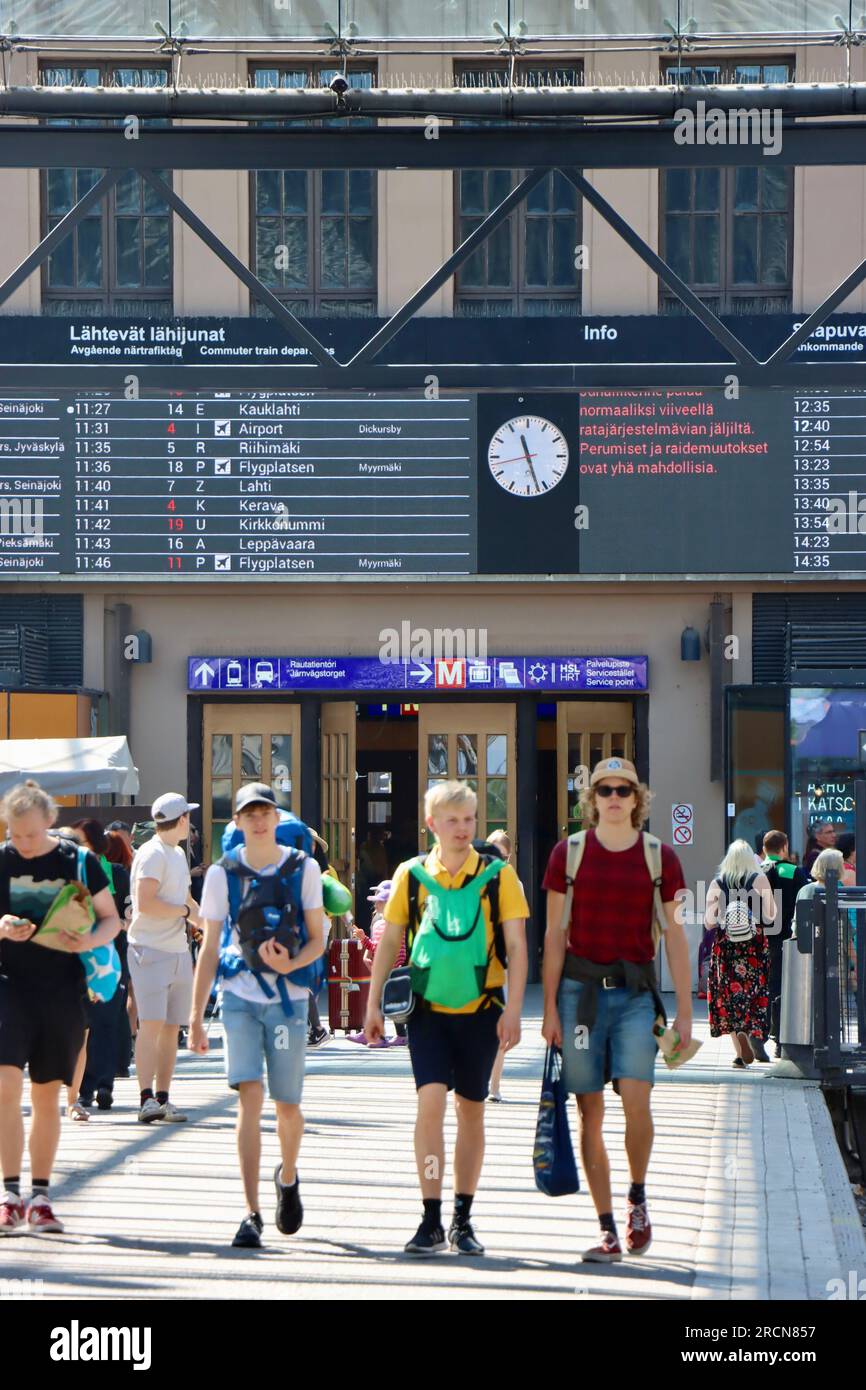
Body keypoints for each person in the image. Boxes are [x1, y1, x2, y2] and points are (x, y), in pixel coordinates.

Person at [364, 781, 529, 1256]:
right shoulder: (411, 875)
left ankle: (463, 1216)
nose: (462, 829)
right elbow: (391, 940)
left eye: (469, 819)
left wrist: (514, 1009)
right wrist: (372, 1004)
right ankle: (431, 1216)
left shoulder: (500, 878)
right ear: (432, 824)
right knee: (430, 1107)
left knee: (471, 1111)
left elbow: (517, 947)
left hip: (482, 1011)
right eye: (452, 820)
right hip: (428, 1012)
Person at [542, 757, 691, 1263]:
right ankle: (606, 1227)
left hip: (633, 996)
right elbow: (553, 937)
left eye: (622, 789)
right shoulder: (570, 853)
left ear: (637, 798)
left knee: (637, 1099)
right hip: (579, 995)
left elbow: (674, 935)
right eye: (604, 789)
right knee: (589, 1111)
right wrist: (548, 1011)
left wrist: (687, 1014)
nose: (613, 797)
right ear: (592, 799)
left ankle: (638, 1197)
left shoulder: (660, 858)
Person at [189, 783, 326, 1250]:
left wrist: (293, 964)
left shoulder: (302, 867)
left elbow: (317, 936)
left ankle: (287, 1176)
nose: (259, 819)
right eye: (250, 813)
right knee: (249, 1097)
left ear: (275, 814)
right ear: (238, 822)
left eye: (265, 811)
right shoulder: (222, 874)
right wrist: (194, 1015)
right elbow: (209, 945)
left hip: (287, 1000)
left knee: (287, 1106)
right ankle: (251, 1213)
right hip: (239, 997)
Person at [0, 780, 119, 1234]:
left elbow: (112, 918)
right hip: (9, 984)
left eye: (30, 834)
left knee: (47, 1094)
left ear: (50, 821)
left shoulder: (80, 861)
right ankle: (10, 1194)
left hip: (63, 988)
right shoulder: (2, 859)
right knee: (6, 1086)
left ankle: (42, 1196)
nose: (23, 845)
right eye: (15, 835)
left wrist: (89, 939)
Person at [128, 793, 200, 1124]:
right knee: (152, 1026)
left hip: (176, 951)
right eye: (189, 817)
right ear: (182, 818)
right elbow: (145, 903)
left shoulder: (175, 854)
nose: (192, 823)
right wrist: (186, 912)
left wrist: (206, 926)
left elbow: (185, 900)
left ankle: (163, 1098)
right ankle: (146, 1099)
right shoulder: (153, 853)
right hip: (150, 950)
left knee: (172, 1028)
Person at [705, 839, 777, 1069]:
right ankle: (749, 1032)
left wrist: (721, 910)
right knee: (752, 992)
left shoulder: (718, 883)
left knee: (729, 994)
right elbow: (771, 917)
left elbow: (708, 923)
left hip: (726, 945)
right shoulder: (759, 879)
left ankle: (739, 1052)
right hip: (753, 945)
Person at [77, 822, 133, 1111]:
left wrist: (117, 924)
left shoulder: (117, 874)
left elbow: (129, 916)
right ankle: (88, 1088)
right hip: (82, 961)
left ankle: (101, 1086)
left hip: (111, 960)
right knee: (88, 1025)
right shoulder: (71, 872)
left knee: (104, 1023)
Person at [760, 830, 810, 1059]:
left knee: (760, 987)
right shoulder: (793, 872)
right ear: (785, 847)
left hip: (757, 938)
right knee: (781, 987)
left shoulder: (756, 871)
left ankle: (757, 1033)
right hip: (784, 939)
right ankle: (780, 1040)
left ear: (764, 849)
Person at [348, 880, 404, 1047]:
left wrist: (364, 939)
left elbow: (390, 950)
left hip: (391, 970)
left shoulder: (393, 924)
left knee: (382, 1003)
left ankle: (376, 1035)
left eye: (380, 901)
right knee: (387, 1003)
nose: (376, 904)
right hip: (387, 970)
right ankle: (398, 1035)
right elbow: (378, 948)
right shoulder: (381, 924)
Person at [485, 831, 514, 1103]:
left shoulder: (511, 882)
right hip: (474, 963)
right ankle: (480, 1081)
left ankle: (494, 1085)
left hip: (501, 964)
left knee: (499, 1025)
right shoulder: (473, 878)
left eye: (502, 857)